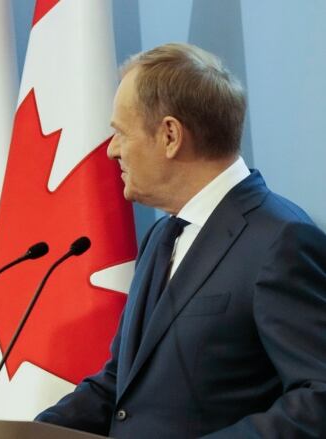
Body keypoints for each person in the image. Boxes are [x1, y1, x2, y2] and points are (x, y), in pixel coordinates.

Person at [36, 43, 326, 438]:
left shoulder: (281, 239)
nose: (111, 150)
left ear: (170, 135)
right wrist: (22, 434)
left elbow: (318, 396)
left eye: (121, 133)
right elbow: (122, 382)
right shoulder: (161, 235)